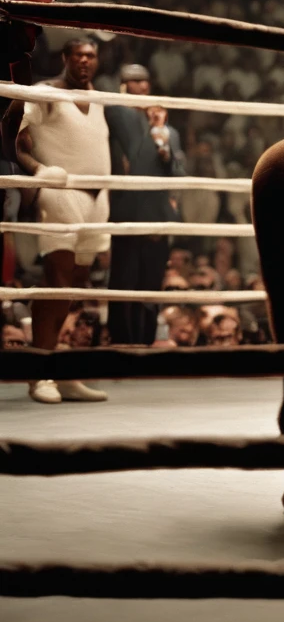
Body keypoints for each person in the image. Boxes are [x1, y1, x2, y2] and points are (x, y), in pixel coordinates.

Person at [9, 37, 110, 403]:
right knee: (58, 280)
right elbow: (14, 137)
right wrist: (38, 170)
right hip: (60, 191)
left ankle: (61, 370)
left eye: (91, 56)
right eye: (79, 55)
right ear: (65, 58)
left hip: (98, 200)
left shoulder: (100, 97)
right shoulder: (46, 92)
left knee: (78, 287)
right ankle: (40, 374)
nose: (85, 61)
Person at [105, 64, 184, 345]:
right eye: (135, 81)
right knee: (124, 280)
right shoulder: (117, 113)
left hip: (156, 218)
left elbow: (179, 174)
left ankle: (147, 341)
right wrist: (151, 131)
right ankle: (122, 343)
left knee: (150, 283)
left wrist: (161, 138)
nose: (143, 86)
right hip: (128, 213)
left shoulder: (170, 132)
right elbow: (136, 162)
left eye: (145, 81)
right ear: (123, 86)